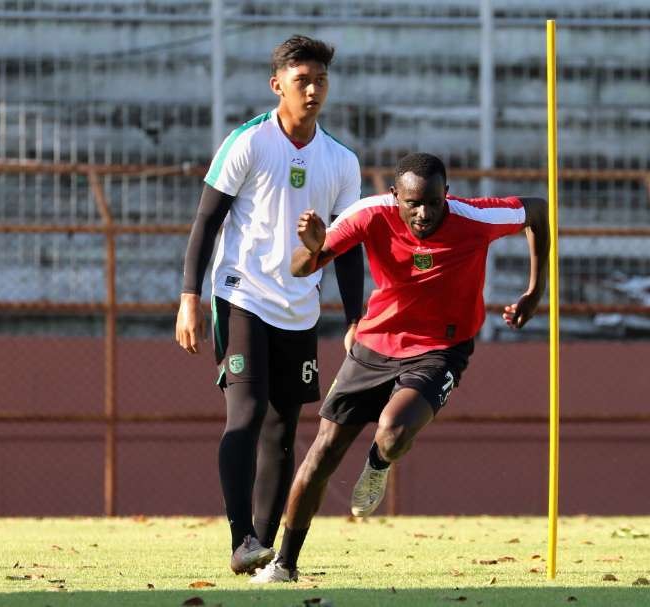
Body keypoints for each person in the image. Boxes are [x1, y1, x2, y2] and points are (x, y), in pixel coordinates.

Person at [250, 152, 549, 583]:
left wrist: (535, 291)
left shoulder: (474, 218)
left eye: (433, 201)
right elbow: (301, 268)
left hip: (441, 348)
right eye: (413, 203)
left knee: (392, 432)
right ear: (395, 196)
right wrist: (313, 248)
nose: (424, 213)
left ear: (447, 194)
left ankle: (378, 461)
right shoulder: (370, 215)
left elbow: (537, 209)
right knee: (324, 451)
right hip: (375, 344)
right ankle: (284, 565)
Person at [174, 34, 364, 576]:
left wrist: (355, 318)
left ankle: (266, 554)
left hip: (300, 308)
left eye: (320, 80)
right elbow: (207, 221)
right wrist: (190, 299)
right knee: (248, 412)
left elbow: (346, 248)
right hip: (241, 295)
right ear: (277, 84)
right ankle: (242, 539)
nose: (313, 89)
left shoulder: (341, 161)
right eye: (302, 80)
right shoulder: (249, 143)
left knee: (285, 425)